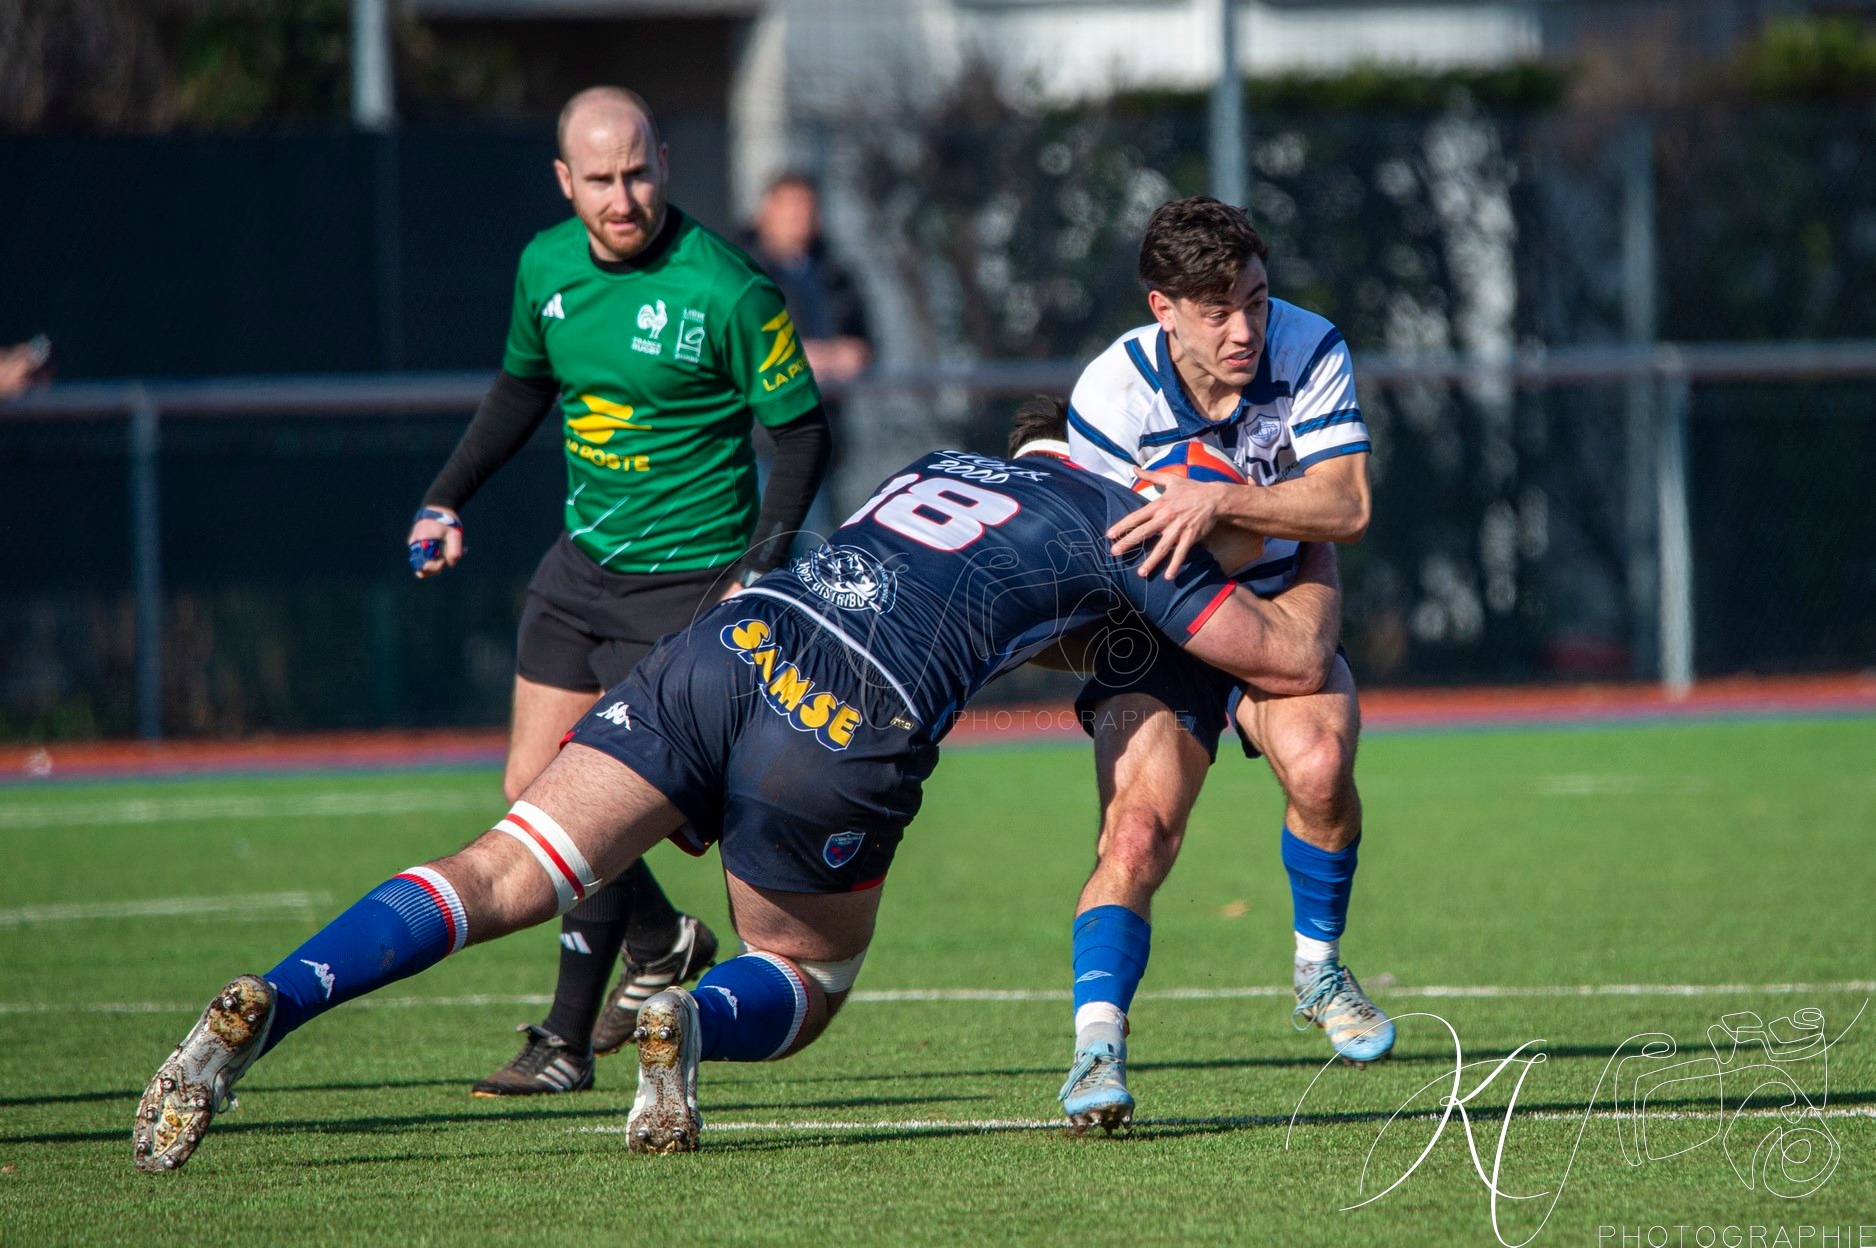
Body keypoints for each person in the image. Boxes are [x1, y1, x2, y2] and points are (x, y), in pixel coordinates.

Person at [132, 403, 1344, 1170]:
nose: (1240, 544)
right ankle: (690, 1021)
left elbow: (991, 593)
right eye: (1234, 530)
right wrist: (1303, 556)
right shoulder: (1135, 527)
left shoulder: (946, 460)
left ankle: (276, 999)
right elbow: (1285, 659)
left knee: (503, 867)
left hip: (732, 642)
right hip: (847, 713)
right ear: (1183, 497)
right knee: (809, 977)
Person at [405, 86, 832, 1096]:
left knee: (587, 805)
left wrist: (760, 566)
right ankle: (661, 940)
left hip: (685, 586)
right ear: (565, 180)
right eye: (599, 178)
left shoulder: (728, 288)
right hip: (579, 568)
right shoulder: (545, 266)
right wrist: (445, 495)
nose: (622, 196)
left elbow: (802, 433)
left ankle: (562, 1042)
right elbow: (522, 388)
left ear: (664, 163)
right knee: (530, 784)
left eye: (638, 172)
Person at [1055, 196, 1391, 1133]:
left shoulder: (1310, 346)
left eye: (1256, 300)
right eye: (1217, 311)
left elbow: (1347, 506)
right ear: (1163, 310)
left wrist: (1216, 503)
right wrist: (1255, 518)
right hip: (1162, 629)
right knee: (1135, 835)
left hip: (1279, 601)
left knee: (1321, 767)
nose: (1245, 330)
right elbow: (1121, 561)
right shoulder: (1111, 393)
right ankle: (1096, 1049)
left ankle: (1318, 970)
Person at [741, 172, 872, 541]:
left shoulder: (835, 273)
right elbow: (739, 346)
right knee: (762, 553)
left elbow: (861, 346)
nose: (800, 219)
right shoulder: (738, 272)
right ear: (765, 213)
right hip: (760, 443)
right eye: (790, 210)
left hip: (822, 438)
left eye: (807, 210)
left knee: (814, 552)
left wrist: (832, 357)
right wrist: (801, 358)